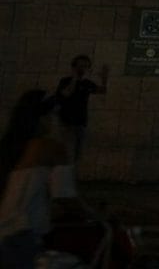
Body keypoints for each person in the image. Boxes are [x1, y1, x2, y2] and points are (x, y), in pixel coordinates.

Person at [1, 90, 81, 267]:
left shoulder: (10, 146)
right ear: (46, 117)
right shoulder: (51, 148)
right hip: (22, 235)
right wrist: (93, 215)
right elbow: (65, 196)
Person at [50, 55, 108, 165]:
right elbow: (66, 93)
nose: (82, 69)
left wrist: (104, 78)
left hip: (81, 122)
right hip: (66, 122)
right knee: (66, 152)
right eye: (80, 66)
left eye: (85, 66)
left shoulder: (87, 83)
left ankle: (70, 174)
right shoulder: (65, 81)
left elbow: (101, 91)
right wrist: (75, 78)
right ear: (74, 67)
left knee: (77, 154)